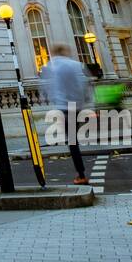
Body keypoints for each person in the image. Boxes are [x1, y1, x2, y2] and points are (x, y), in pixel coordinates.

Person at [39, 44, 91, 185]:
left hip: (63, 107)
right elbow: (85, 84)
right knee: (74, 139)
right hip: (77, 107)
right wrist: (85, 100)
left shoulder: (50, 66)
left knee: (72, 141)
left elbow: (46, 87)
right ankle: (80, 173)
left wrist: (51, 98)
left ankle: (81, 174)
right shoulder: (76, 65)